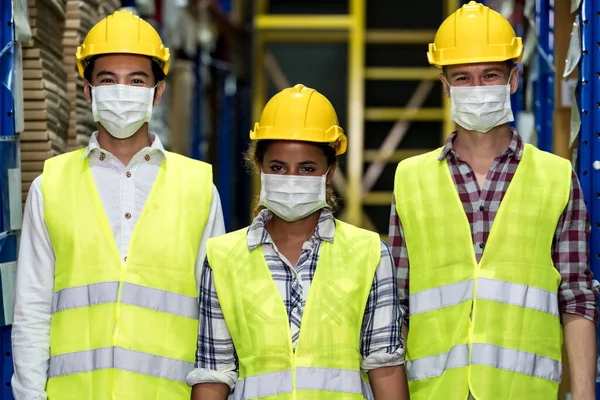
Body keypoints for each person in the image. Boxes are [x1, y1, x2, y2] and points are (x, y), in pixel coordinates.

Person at [389, 2, 599, 399]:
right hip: (434, 392)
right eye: (462, 78)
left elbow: (577, 298)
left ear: (513, 79)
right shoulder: (410, 178)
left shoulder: (556, 177)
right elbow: (398, 307)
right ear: (445, 86)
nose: (478, 88)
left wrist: (585, 395)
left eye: (490, 75)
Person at [11, 10, 225, 400]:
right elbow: (32, 313)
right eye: (108, 80)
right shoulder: (50, 186)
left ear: (158, 92)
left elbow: (217, 321)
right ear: (89, 91)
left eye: (136, 80)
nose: (121, 90)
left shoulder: (198, 188)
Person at [187, 83, 408, 400]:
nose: (291, 178)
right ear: (260, 167)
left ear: (329, 173)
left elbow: (385, 366)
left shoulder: (370, 254)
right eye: (278, 167)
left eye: (306, 168)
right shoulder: (222, 258)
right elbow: (213, 374)